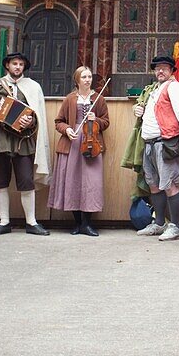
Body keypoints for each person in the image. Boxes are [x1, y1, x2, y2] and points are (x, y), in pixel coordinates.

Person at [0, 52, 51, 236]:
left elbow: (36, 114)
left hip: (22, 140)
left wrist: (29, 122)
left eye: (21, 64)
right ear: (7, 65)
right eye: (14, 63)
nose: (18, 67)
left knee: (26, 180)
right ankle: (4, 222)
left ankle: (31, 223)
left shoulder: (33, 87)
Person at [133, 55, 179, 241]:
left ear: (171, 71)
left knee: (170, 185)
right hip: (150, 143)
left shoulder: (174, 87)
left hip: (165, 142)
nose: (160, 71)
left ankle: (175, 226)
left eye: (164, 68)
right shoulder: (155, 90)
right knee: (154, 186)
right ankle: (159, 223)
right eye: (157, 68)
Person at [50, 66, 109, 236]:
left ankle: (87, 223)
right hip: (73, 143)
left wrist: (95, 119)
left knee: (91, 183)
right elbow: (58, 121)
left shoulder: (99, 99)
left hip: (92, 143)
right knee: (73, 182)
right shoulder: (69, 99)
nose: (87, 79)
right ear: (77, 79)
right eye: (84, 77)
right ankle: (77, 223)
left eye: (89, 76)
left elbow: (105, 122)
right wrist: (67, 129)